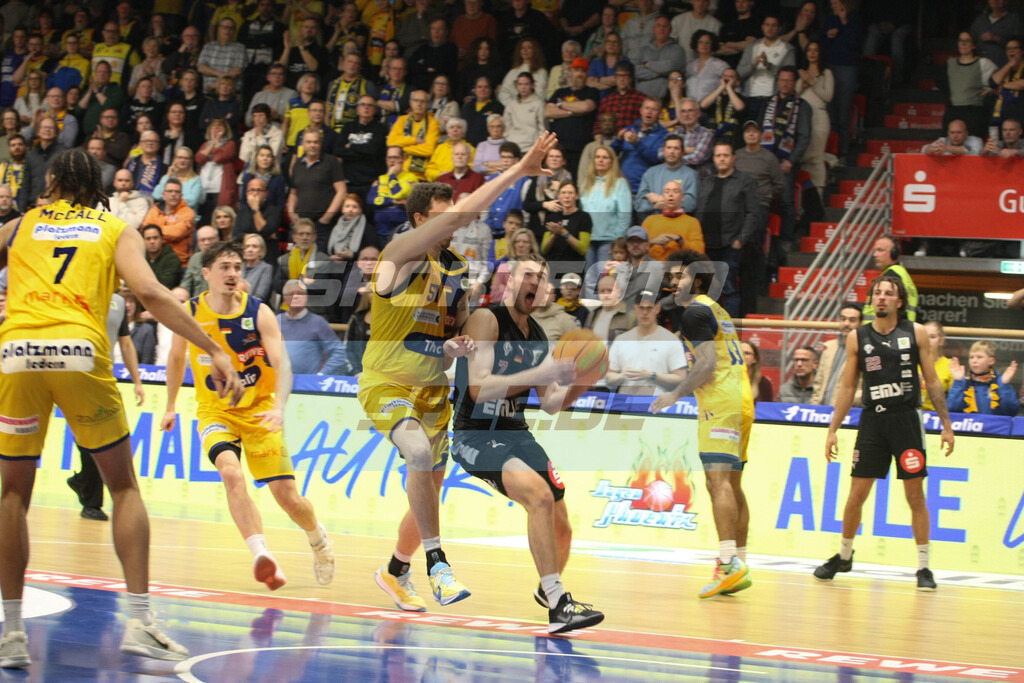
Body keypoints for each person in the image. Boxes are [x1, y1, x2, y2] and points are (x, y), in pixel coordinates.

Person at [0, 147, 244, 668]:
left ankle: (12, 633)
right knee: (124, 486)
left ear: (51, 182)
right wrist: (214, 348)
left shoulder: (22, 224)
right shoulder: (113, 227)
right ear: (96, 185)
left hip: (16, 351)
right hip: (79, 351)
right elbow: (152, 293)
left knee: (12, 494)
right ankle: (139, 621)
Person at [364, 133, 559, 612]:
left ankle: (395, 572)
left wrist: (458, 345)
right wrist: (517, 172)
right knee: (415, 452)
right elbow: (408, 338)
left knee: (429, 483)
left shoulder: (454, 270)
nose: (452, 225)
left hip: (433, 389)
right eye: (440, 217)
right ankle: (438, 564)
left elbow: (450, 342)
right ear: (417, 222)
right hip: (388, 382)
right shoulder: (398, 257)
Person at [162, 241, 336, 592]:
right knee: (230, 473)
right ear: (206, 273)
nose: (232, 273)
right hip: (216, 412)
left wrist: (278, 408)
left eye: (237, 267)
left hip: (259, 413)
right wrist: (169, 406)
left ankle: (318, 540)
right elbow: (176, 360)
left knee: (289, 499)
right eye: (225, 267)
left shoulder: (259, 312)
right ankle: (261, 554)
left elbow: (282, 363)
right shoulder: (190, 312)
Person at [451, 254, 604, 633]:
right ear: (510, 280)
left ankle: (545, 588)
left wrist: (583, 380)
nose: (535, 282)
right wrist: (542, 371)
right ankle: (558, 604)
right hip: (476, 432)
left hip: (516, 432)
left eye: (542, 277)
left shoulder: (536, 334)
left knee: (561, 522)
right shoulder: (487, 319)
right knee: (538, 496)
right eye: (528, 275)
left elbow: (551, 403)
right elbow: (478, 387)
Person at [815, 273, 955, 592]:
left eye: (887, 293)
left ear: (899, 301)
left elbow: (932, 381)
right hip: (872, 422)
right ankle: (845, 556)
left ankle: (923, 566)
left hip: (906, 421)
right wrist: (832, 430)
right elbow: (848, 385)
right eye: (877, 293)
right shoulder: (858, 337)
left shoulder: (915, 332)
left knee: (915, 496)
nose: (880, 297)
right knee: (856, 496)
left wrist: (947, 426)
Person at [651, 249, 755, 598]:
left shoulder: (695, 311)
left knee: (717, 483)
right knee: (733, 485)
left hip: (720, 403)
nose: (673, 282)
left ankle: (728, 564)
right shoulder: (716, 309)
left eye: (678, 276)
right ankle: (737, 563)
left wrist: (675, 393)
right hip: (740, 400)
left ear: (696, 279)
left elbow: (707, 364)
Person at [67, 291, 146, 522]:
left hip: (102, 376)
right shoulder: (80, 290)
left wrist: (137, 381)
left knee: (96, 436)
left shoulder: (119, 302)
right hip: (74, 371)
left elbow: (126, 343)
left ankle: (84, 486)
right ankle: (90, 498)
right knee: (89, 434)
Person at [694, 141, 761, 317]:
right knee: (706, 290)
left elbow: (753, 213)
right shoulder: (707, 181)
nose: (721, 159)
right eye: (718, 155)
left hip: (730, 244)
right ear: (713, 159)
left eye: (725, 155)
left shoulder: (745, 181)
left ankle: (729, 329)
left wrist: (740, 240)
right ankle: (710, 328)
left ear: (733, 158)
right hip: (706, 245)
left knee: (729, 288)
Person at [607, 290, 688, 396]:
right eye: (641, 307)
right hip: (624, 403)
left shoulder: (671, 340)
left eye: (649, 307)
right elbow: (609, 377)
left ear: (657, 308)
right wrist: (622, 376)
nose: (645, 312)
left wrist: (652, 376)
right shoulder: (621, 340)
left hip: (657, 403)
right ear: (635, 308)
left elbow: (680, 377)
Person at [288, 128, 348, 252]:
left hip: (322, 225)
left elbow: (342, 191)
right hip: (301, 222)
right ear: (303, 144)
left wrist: (326, 218)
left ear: (320, 143)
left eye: (315, 142)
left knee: (319, 264)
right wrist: (291, 212)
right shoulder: (297, 165)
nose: (312, 145)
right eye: (308, 142)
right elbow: (294, 192)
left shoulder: (331, 162)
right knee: (295, 262)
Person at [277, 279, 348, 375]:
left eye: (300, 293)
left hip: (306, 385)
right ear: (285, 299)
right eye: (291, 294)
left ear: (306, 297)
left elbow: (338, 352)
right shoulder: (275, 321)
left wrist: (321, 375)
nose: (296, 296)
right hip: (278, 381)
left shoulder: (318, 322)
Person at [545, 59, 599, 177]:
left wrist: (561, 105)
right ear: (571, 72)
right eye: (576, 70)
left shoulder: (592, 92)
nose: (579, 74)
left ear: (587, 73)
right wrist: (572, 112)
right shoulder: (560, 92)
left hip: (580, 147)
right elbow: (548, 112)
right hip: (558, 147)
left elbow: (585, 107)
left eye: (583, 71)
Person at [738, 15, 795, 123]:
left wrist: (768, 66)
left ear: (779, 29)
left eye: (774, 25)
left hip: (772, 98)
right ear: (762, 27)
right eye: (767, 25)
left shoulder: (787, 48)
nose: (770, 28)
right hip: (749, 96)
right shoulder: (752, 46)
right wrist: (752, 65)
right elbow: (739, 72)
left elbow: (790, 75)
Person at [795, 41, 834, 193]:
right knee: (802, 158)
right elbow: (795, 95)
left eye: (815, 50)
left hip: (819, 117)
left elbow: (828, 96)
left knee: (816, 158)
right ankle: (805, 195)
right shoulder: (801, 72)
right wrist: (802, 84)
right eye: (809, 50)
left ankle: (819, 191)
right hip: (801, 117)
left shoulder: (826, 73)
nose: (812, 53)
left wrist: (812, 82)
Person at [635, 135, 700, 220]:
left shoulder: (691, 175)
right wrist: (653, 205)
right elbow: (638, 204)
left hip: (679, 224)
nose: (672, 151)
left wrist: (662, 201)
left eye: (676, 148)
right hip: (653, 225)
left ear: (682, 152)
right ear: (664, 150)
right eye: (669, 147)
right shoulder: (650, 173)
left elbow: (691, 204)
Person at [337, 95, 389, 198]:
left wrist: (351, 147)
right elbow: (338, 150)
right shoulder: (348, 127)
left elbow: (374, 150)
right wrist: (365, 150)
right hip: (350, 182)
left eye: (370, 105)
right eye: (363, 105)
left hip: (372, 182)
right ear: (357, 108)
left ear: (375, 109)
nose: (366, 107)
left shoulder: (381, 128)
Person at [948, 341, 1021, 416]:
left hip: (994, 426)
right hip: (970, 425)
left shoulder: (1000, 382)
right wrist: (958, 382)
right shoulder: (963, 382)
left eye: (979, 357)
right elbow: (952, 409)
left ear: (991, 361)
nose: (974, 361)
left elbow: (1011, 411)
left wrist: (1005, 385)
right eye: (971, 357)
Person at [811, 304, 863, 406]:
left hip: (849, 412)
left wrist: (844, 405)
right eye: (843, 319)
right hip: (822, 412)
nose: (846, 324)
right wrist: (815, 406)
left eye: (852, 320)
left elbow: (863, 388)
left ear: (860, 324)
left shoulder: (865, 351)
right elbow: (819, 383)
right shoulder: (829, 348)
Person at [615, 96, 669, 193]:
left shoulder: (664, 135)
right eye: (647, 108)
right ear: (641, 110)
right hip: (622, 187)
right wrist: (618, 140)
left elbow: (656, 158)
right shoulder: (629, 129)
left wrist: (637, 143)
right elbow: (611, 154)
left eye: (654, 109)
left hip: (646, 189)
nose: (649, 112)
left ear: (660, 113)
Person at [642, 180, 706, 260]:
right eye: (667, 191)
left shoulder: (692, 222)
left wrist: (680, 240)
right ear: (662, 197)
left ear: (682, 197)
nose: (671, 194)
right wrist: (653, 242)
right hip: (653, 268)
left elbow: (699, 252)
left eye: (675, 191)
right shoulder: (650, 221)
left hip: (681, 269)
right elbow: (637, 248)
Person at [863, 235, 918, 323]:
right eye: (875, 251)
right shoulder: (901, 274)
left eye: (880, 250)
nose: (875, 255)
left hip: (882, 332)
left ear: (894, 253)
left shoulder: (891, 277)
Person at [142, 178, 196, 267]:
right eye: (170, 191)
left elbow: (177, 233)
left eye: (177, 192)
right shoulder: (154, 211)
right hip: (155, 260)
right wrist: (169, 232)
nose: (173, 194)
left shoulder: (188, 212)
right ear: (164, 195)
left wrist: (156, 230)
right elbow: (146, 230)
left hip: (181, 262)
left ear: (181, 195)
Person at [632, 16, 686, 99]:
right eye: (659, 25)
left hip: (666, 98)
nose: (662, 28)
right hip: (641, 97)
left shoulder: (678, 50)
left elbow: (671, 66)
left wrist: (647, 64)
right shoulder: (642, 49)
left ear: (670, 29)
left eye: (665, 26)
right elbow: (634, 70)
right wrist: (659, 73)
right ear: (654, 29)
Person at [503, 73, 546, 155]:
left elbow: (542, 128)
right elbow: (506, 126)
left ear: (532, 85)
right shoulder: (511, 105)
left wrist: (538, 147)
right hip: (513, 147)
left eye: (526, 84)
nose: (523, 87)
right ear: (516, 86)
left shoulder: (539, 104)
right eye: (520, 84)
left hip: (531, 148)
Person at [498, 38, 548, 107]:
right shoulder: (513, 72)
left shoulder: (541, 72)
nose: (525, 50)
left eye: (529, 47)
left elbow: (541, 93)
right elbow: (504, 92)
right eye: (522, 48)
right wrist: (514, 105)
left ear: (535, 51)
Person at [921, 321, 954, 411]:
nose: (927, 340)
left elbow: (954, 403)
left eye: (932, 337)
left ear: (941, 340)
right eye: (924, 336)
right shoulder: (910, 362)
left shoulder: (950, 366)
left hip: (937, 418)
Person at [180, 225, 220, 297]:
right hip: (197, 303)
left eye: (210, 239)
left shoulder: (225, 259)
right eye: (202, 240)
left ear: (217, 239)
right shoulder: (194, 259)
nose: (206, 243)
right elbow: (186, 284)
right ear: (198, 243)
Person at [141, 223, 183, 289]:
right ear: (143, 241)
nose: (152, 241)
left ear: (162, 239)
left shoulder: (172, 259)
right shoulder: (140, 257)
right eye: (148, 239)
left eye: (155, 238)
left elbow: (165, 285)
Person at [241, 234, 273, 301]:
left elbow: (260, 295)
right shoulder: (239, 265)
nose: (250, 250)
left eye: (254, 246)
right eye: (247, 246)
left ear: (261, 250)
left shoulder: (266, 268)